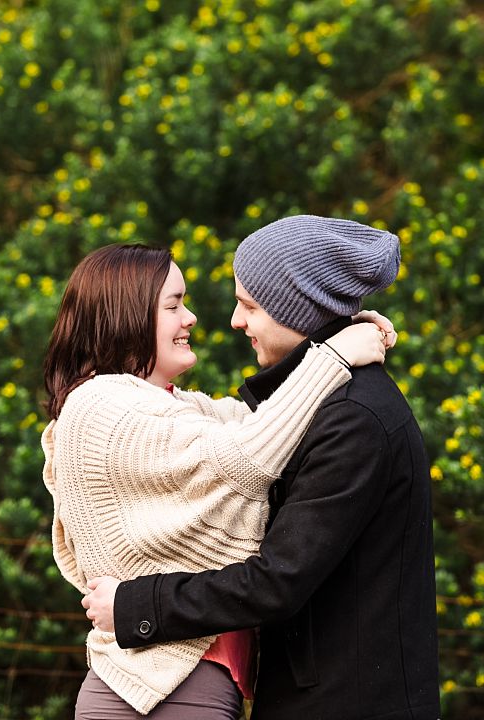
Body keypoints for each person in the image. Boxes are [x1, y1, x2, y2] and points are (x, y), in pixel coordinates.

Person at [82, 215, 441, 720]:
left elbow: (278, 579)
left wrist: (138, 607)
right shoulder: (323, 407)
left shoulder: (352, 420)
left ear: (298, 310)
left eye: (249, 305)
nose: (234, 320)